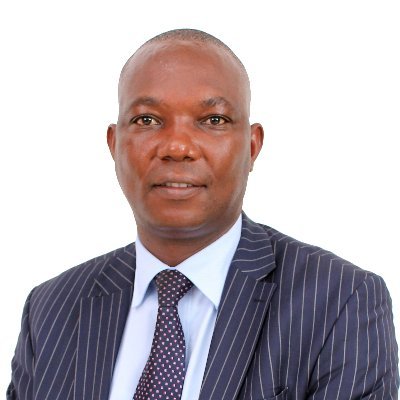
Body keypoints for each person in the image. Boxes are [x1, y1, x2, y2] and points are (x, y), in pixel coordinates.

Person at [8, 29, 399, 400]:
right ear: (114, 144)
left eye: (213, 120)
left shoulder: (339, 300)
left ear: (252, 147)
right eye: (147, 120)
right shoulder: (52, 308)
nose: (177, 147)